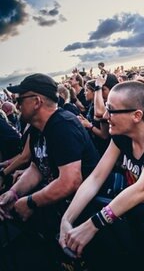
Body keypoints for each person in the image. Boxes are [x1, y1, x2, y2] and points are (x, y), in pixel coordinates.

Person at [59, 81, 144, 260]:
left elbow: (143, 189)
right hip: (142, 219)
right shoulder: (120, 137)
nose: (105, 115)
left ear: (136, 115)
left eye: (111, 110)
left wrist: (92, 225)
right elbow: (95, 179)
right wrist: (66, 219)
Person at [0, 73, 98, 257]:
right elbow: (36, 168)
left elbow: (70, 181)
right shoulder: (38, 128)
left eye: (20, 99)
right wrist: (13, 193)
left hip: (83, 214)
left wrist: (30, 202)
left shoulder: (63, 125)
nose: (17, 105)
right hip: (60, 211)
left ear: (37, 101)